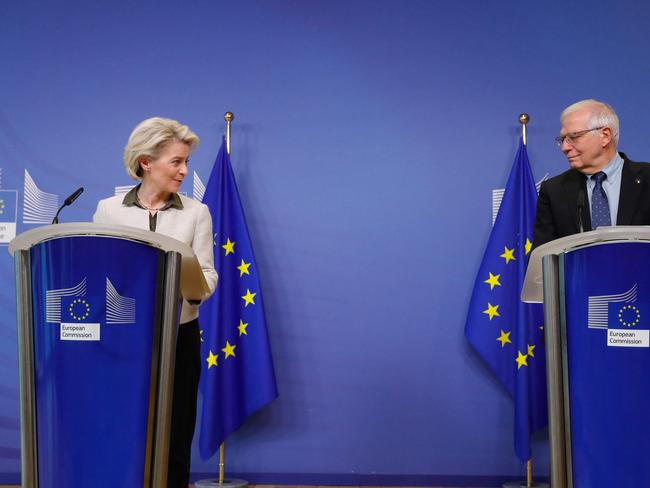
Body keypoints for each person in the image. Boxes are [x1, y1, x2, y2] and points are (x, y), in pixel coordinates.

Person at [93, 117, 218, 488]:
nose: (184, 170)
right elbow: (100, 274)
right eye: (176, 161)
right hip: (123, 339)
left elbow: (208, 278)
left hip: (178, 336)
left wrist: (187, 283)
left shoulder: (197, 213)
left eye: (186, 162)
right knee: (124, 429)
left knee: (176, 434)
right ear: (146, 162)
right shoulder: (108, 211)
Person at [532, 99, 650, 248]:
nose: (565, 147)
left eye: (573, 137)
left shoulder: (647, 178)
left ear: (605, 136)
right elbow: (544, 256)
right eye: (562, 139)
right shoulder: (554, 190)